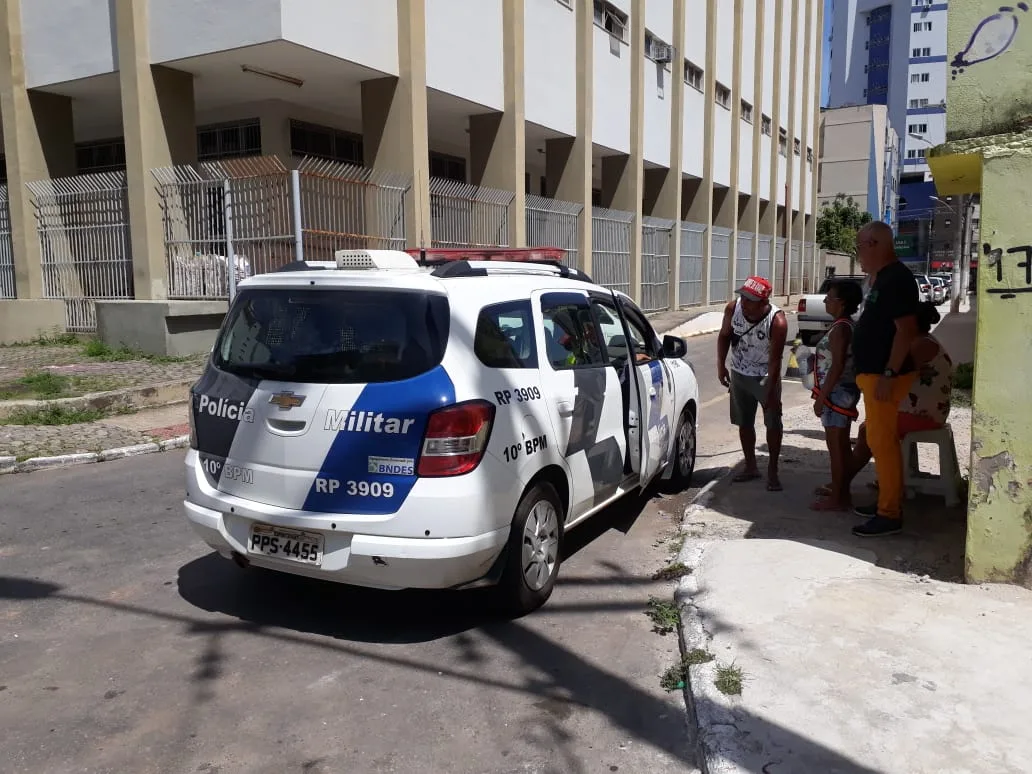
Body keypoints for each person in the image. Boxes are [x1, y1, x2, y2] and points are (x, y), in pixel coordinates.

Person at [817, 301, 953, 498]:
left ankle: (842, 483)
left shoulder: (920, 344)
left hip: (924, 414)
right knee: (870, 429)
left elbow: (892, 372)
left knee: (872, 432)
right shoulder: (922, 341)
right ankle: (853, 480)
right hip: (920, 409)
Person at [849, 221, 920, 537]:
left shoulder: (896, 280)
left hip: (884, 375)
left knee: (882, 442)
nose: (858, 253)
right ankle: (886, 501)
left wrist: (890, 374)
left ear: (875, 243)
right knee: (879, 440)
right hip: (875, 374)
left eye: (860, 246)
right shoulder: (882, 279)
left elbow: (906, 331)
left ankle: (889, 513)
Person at [717, 275, 788, 492]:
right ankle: (751, 467)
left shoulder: (777, 322)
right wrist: (721, 365)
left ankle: (773, 471)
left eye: (751, 300)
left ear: (764, 302)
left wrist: (770, 391)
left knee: (773, 423)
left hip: (765, 377)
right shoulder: (733, 309)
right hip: (739, 374)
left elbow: (776, 360)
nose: (744, 303)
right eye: (743, 297)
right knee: (744, 422)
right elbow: (724, 336)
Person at [809, 280, 864, 512]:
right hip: (839, 392)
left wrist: (822, 398)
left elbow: (837, 366)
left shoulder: (841, 328)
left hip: (838, 394)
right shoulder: (842, 325)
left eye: (829, 298)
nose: (825, 301)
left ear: (841, 303)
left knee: (837, 448)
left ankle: (839, 498)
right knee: (839, 447)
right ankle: (841, 491)